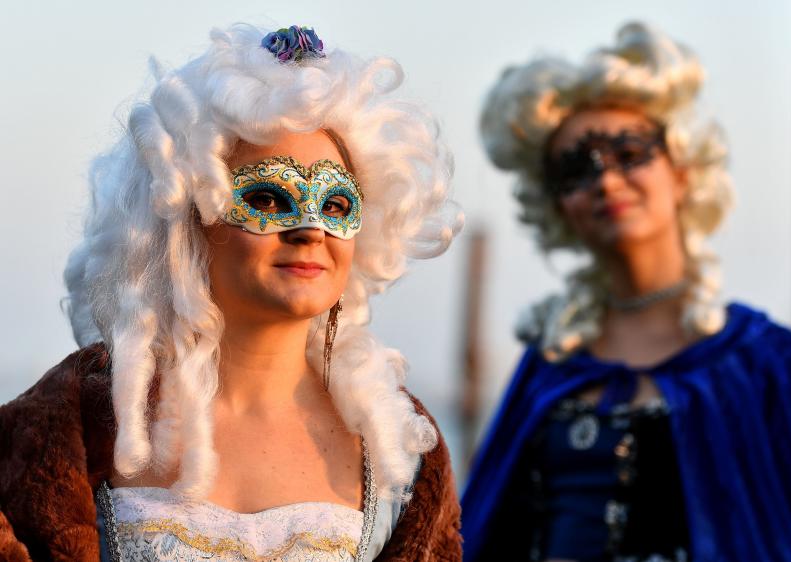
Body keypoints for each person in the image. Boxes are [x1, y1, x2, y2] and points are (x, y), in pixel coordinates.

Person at [0, 23, 463, 561]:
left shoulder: (398, 447)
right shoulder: (62, 427)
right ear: (185, 219)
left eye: (336, 205)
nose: (311, 228)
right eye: (268, 198)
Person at [461, 22, 791, 562]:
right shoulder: (550, 366)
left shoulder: (769, 362)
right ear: (556, 207)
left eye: (629, 152)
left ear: (682, 171)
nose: (606, 180)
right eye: (576, 169)